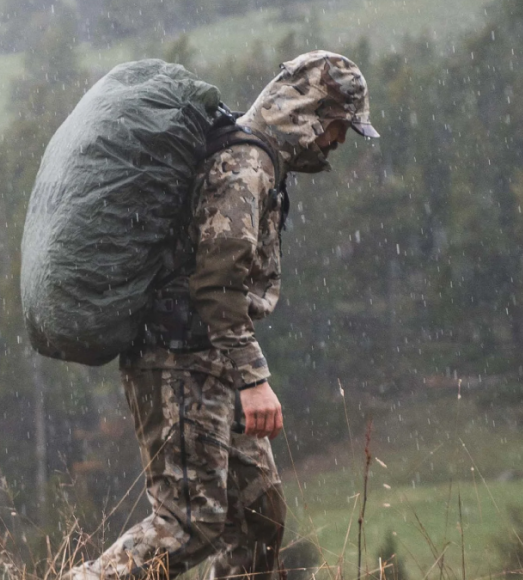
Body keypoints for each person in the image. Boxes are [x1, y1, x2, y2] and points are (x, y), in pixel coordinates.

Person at [65, 50, 380, 580]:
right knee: (187, 525)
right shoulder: (243, 167)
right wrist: (254, 380)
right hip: (179, 361)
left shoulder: (255, 161)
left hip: (209, 360)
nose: (338, 141)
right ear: (308, 111)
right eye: (337, 125)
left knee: (258, 522)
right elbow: (217, 283)